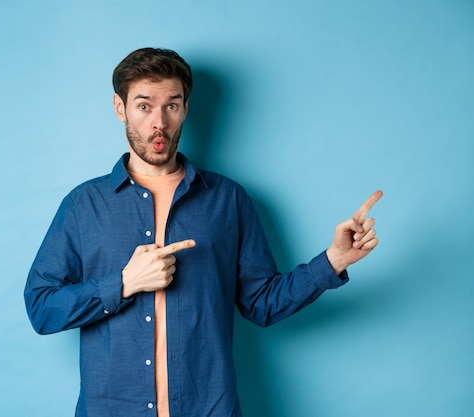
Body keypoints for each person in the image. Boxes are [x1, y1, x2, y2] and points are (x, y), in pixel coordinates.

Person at [24, 47, 382, 417]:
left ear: (186, 109)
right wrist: (124, 283)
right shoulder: (84, 205)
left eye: (172, 105)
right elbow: (41, 308)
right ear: (120, 108)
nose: (158, 122)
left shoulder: (228, 200)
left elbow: (261, 304)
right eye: (144, 106)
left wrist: (335, 260)